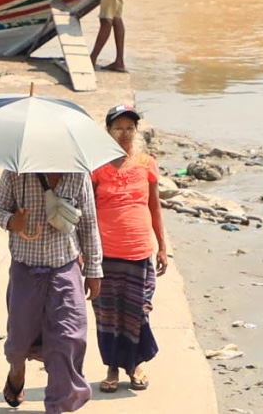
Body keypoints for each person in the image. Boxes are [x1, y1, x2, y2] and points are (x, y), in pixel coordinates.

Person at [0, 166, 102, 412]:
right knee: (19, 340)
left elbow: (89, 223)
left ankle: (59, 405)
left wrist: (94, 270)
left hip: (65, 267)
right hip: (25, 270)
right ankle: (17, 370)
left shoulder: (78, 174)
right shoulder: (15, 173)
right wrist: (12, 221)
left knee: (68, 338)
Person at [89, 105, 167, 393]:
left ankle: (135, 365)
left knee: (138, 311)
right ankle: (111, 367)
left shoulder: (147, 163)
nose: (124, 133)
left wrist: (162, 247)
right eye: (118, 128)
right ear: (108, 131)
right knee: (107, 313)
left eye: (129, 128)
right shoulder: (95, 165)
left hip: (138, 251)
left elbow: (155, 206)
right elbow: (87, 211)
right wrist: (85, 253)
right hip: (105, 252)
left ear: (136, 131)